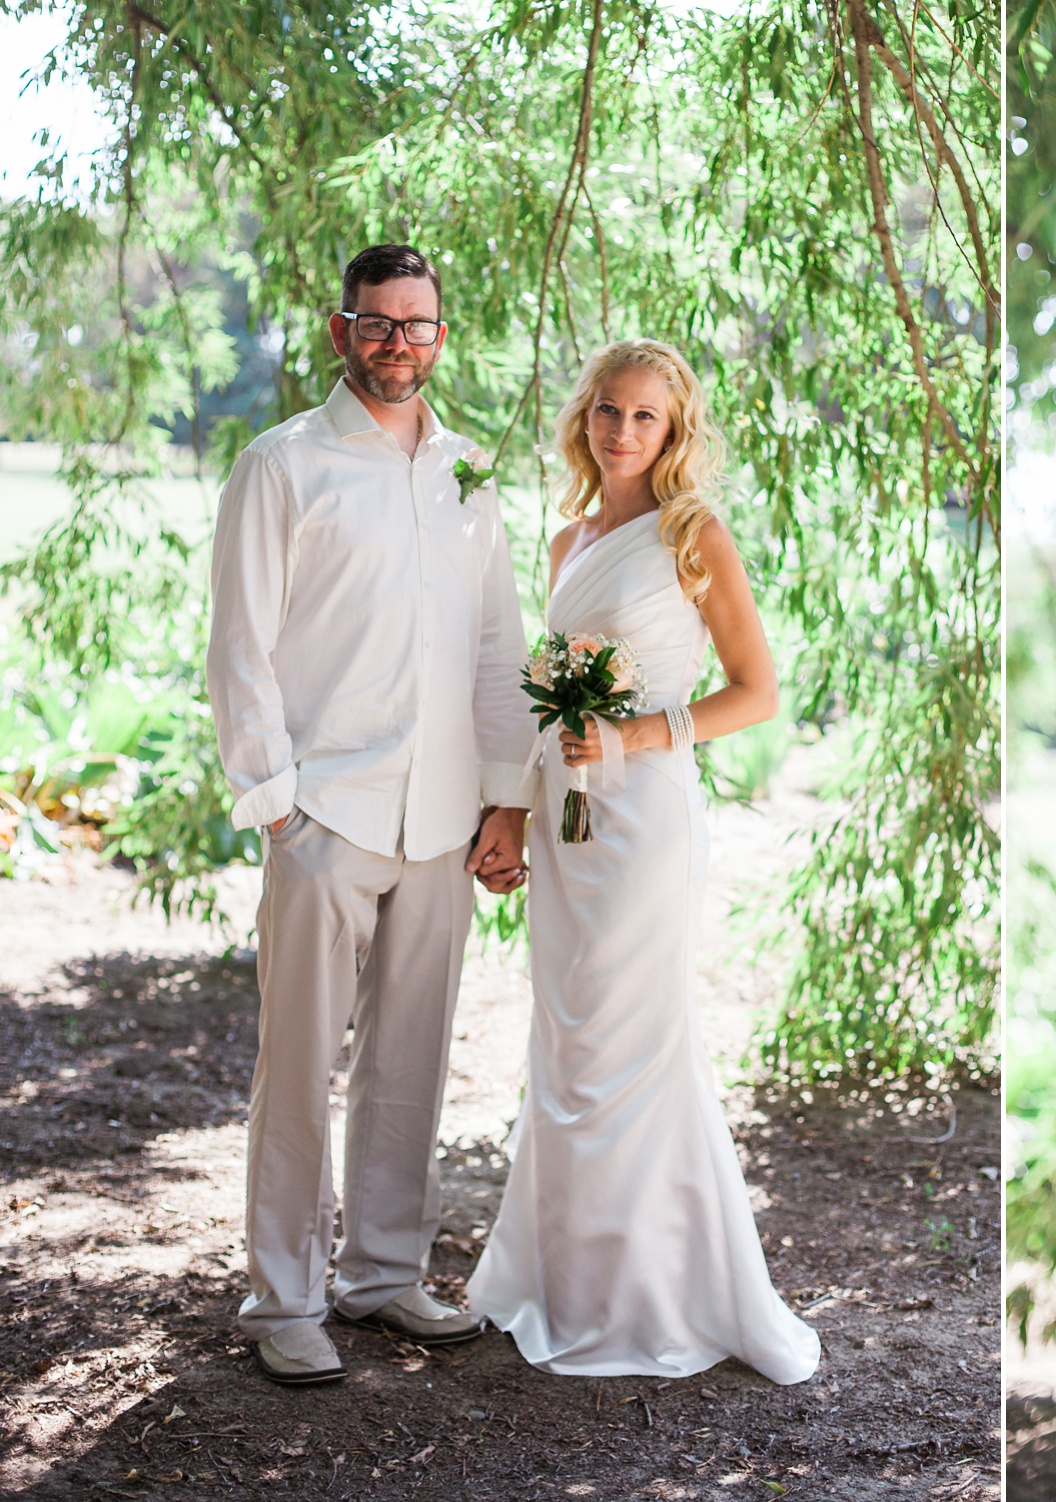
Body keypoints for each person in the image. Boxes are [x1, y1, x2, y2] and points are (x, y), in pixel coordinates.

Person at [207, 244, 535, 1386]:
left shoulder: (470, 473)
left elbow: (498, 648)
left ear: (443, 335)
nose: (401, 342)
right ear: (341, 329)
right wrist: (279, 807)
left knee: (411, 1059)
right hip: (327, 812)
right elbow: (240, 644)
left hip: (444, 817)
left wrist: (509, 797)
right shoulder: (282, 465)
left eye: (420, 324)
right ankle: (283, 1293)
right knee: (297, 1059)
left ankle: (384, 1273)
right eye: (380, 323)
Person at [462, 340, 820, 1385]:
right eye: (608, 411)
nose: (622, 432)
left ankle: (654, 1292)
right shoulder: (570, 537)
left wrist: (635, 737)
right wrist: (510, 810)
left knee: (630, 1041)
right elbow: (542, 703)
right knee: (566, 1045)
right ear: (585, 419)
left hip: (646, 818)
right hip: (566, 820)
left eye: (646, 418)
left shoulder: (691, 532)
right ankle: (565, 1282)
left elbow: (755, 691)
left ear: (675, 432)